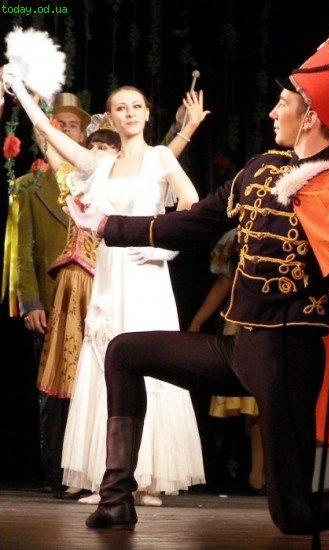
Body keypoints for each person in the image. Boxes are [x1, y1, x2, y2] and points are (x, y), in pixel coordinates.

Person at [11, 28, 329, 536]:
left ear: (310, 117)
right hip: (241, 349)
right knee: (123, 352)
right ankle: (116, 500)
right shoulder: (260, 170)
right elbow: (192, 223)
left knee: (295, 515)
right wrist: (106, 226)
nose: (273, 113)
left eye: (283, 105)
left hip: (289, 359)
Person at [2, 71, 209, 506]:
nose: (129, 113)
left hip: (147, 275)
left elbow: (191, 204)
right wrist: (19, 89)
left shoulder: (159, 158)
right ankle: (108, 478)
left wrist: (163, 248)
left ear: (147, 114)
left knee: (150, 364)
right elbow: (48, 133)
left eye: (136, 107)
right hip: (111, 275)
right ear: (110, 118)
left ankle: (148, 479)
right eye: (120, 108)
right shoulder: (101, 164)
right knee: (105, 363)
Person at [35, 122, 120, 502]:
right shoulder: (75, 181)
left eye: (107, 147)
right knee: (73, 380)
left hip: (105, 284)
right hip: (72, 285)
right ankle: (74, 470)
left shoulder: (123, 184)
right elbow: (50, 149)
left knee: (103, 376)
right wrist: (33, 107)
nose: (99, 152)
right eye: (94, 146)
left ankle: (102, 472)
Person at [15, 92, 90, 493]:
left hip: (93, 299)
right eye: (58, 124)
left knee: (91, 386)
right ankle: (57, 470)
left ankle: (89, 469)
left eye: (73, 125)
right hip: (51, 301)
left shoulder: (98, 180)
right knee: (52, 391)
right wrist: (30, 301)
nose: (66, 130)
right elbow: (23, 249)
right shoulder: (30, 188)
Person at [188, 228, 265, 495]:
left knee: (262, 404)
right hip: (245, 321)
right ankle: (253, 474)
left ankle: (261, 474)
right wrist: (197, 322)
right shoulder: (238, 236)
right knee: (254, 404)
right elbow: (225, 282)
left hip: (267, 319)